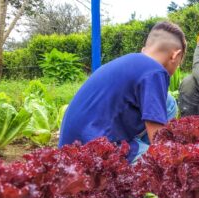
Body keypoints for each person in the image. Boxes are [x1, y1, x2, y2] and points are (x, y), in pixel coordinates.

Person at [59, 21, 187, 163]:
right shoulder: (155, 71)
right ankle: (136, 157)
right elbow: (157, 136)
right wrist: (174, 161)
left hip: (72, 145)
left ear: (145, 49)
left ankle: (138, 148)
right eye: (179, 63)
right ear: (175, 55)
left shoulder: (130, 62)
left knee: (168, 102)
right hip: (94, 151)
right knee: (156, 167)